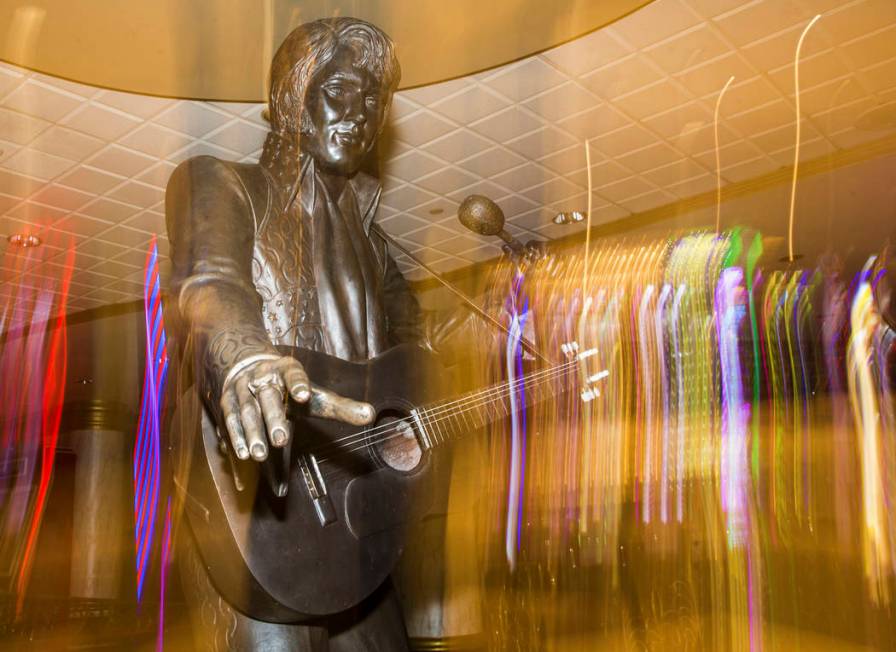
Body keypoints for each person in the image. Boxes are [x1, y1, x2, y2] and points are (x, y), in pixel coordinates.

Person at [165, 17, 420, 651]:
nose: (359, 112)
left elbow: (418, 365)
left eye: (371, 98)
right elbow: (211, 286)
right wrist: (246, 361)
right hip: (255, 523)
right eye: (339, 90)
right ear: (293, 101)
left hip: (358, 530)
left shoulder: (379, 249)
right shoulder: (223, 185)